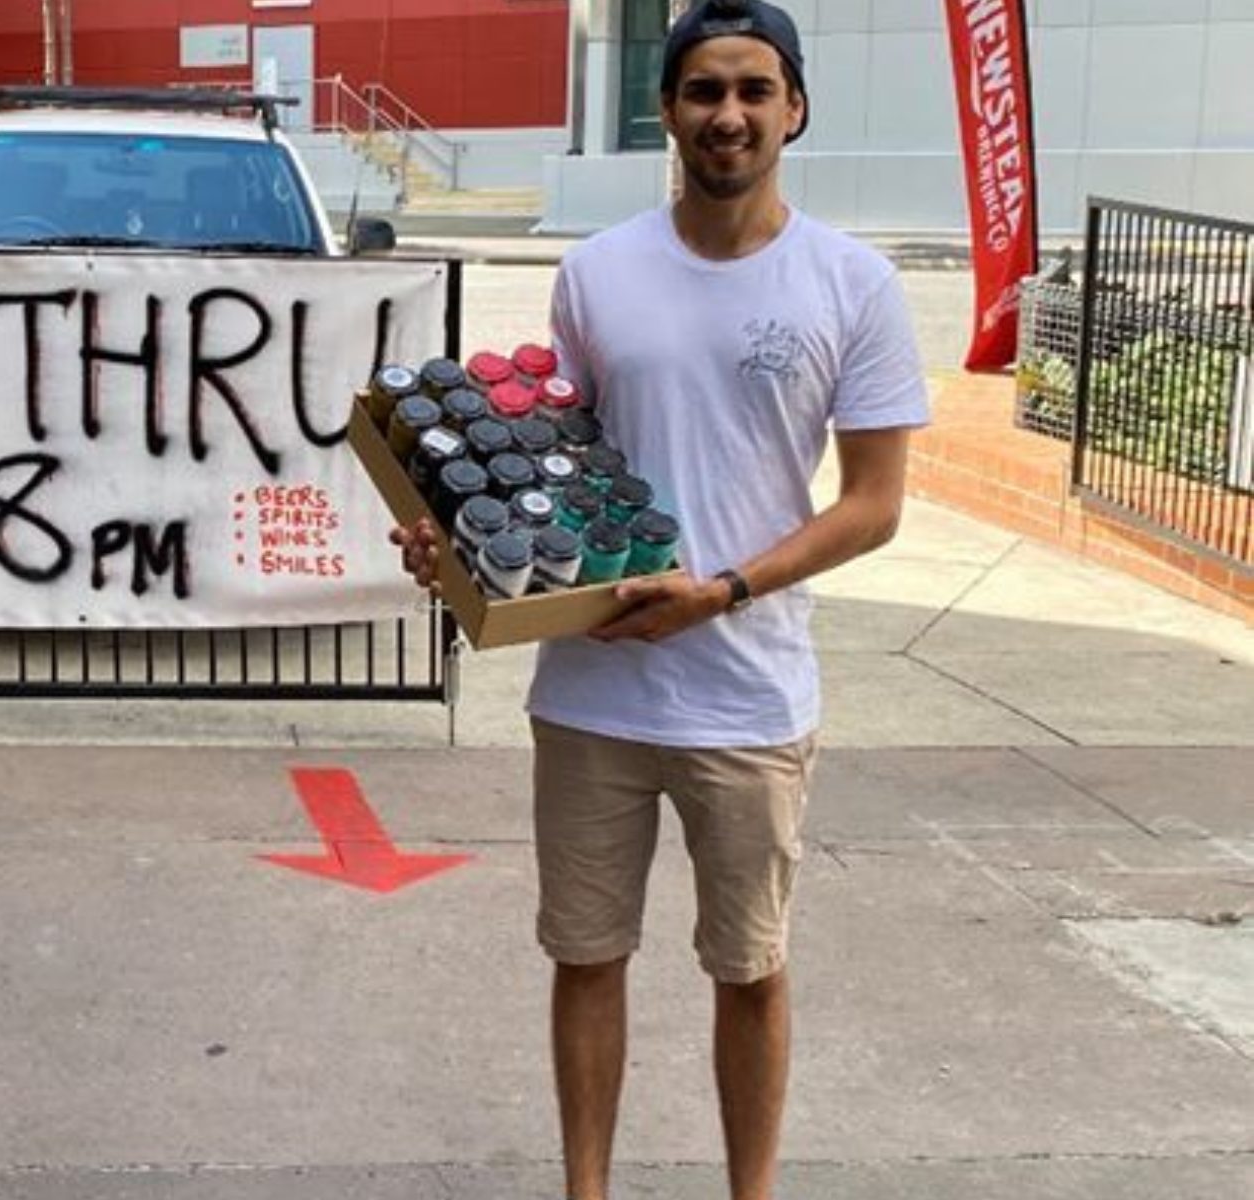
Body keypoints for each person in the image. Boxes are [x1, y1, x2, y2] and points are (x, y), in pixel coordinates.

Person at [391, 3, 929, 1198]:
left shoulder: (852, 282)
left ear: (792, 109)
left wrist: (727, 589)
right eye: (700, 91)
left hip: (748, 692)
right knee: (585, 957)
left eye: (751, 90)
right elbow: (554, 462)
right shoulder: (597, 272)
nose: (725, 115)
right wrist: (460, 548)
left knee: (749, 969)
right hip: (593, 690)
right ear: (667, 110)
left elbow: (876, 501)